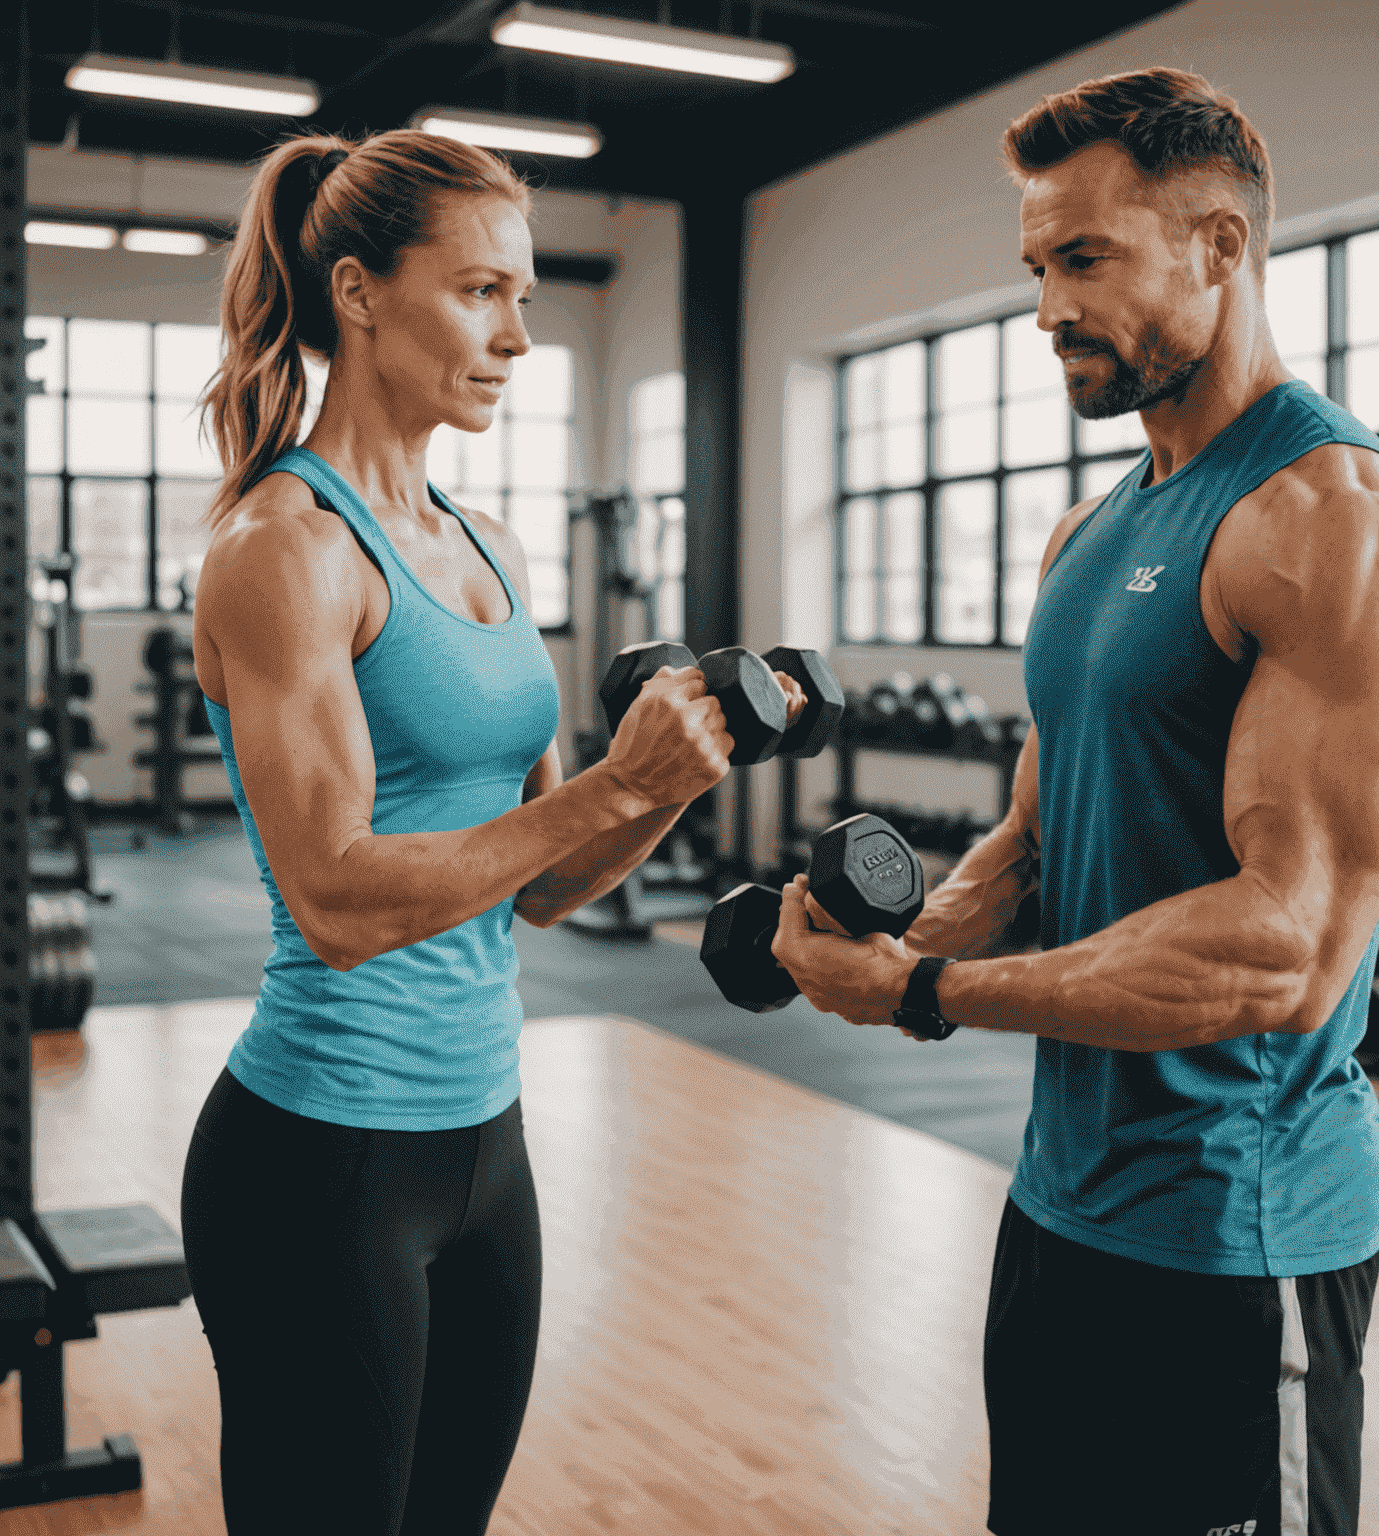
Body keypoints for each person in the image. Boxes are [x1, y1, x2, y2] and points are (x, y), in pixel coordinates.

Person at [771, 67, 1379, 1536]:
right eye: (1036, 265)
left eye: (1084, 260)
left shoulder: (1334, 526)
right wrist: (889, 937)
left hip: (1237, 1238)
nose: (1044, 310)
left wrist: (927, 996)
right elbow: (1036, 835)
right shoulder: (1090, 531)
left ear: (1220, 247)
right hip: (1060, 1211)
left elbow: (1284, 949)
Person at [178, 129, 802, 1536]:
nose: (519, 336)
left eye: (523, 296)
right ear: (357, 290)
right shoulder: (285, 548)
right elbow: (337, 899)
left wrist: (670, 779)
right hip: (322, 1155)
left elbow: (540, 887)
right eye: (480, 294)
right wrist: (612, 783)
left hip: (485, 1147)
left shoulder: (491, 547)